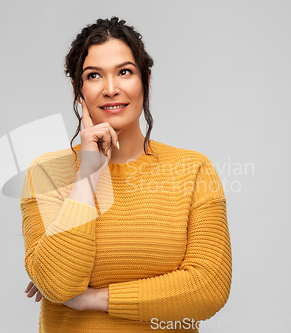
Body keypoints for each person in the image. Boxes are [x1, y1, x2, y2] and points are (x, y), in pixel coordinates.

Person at [21, 16, 231, 333]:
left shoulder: (193, 169)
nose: (111, 88)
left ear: (145, 81)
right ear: (79, 89)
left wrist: (93, 298)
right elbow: (59, 284)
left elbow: (207, 288)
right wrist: (88, 176)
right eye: (94, 76)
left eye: (124, 72)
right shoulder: (47, 173)